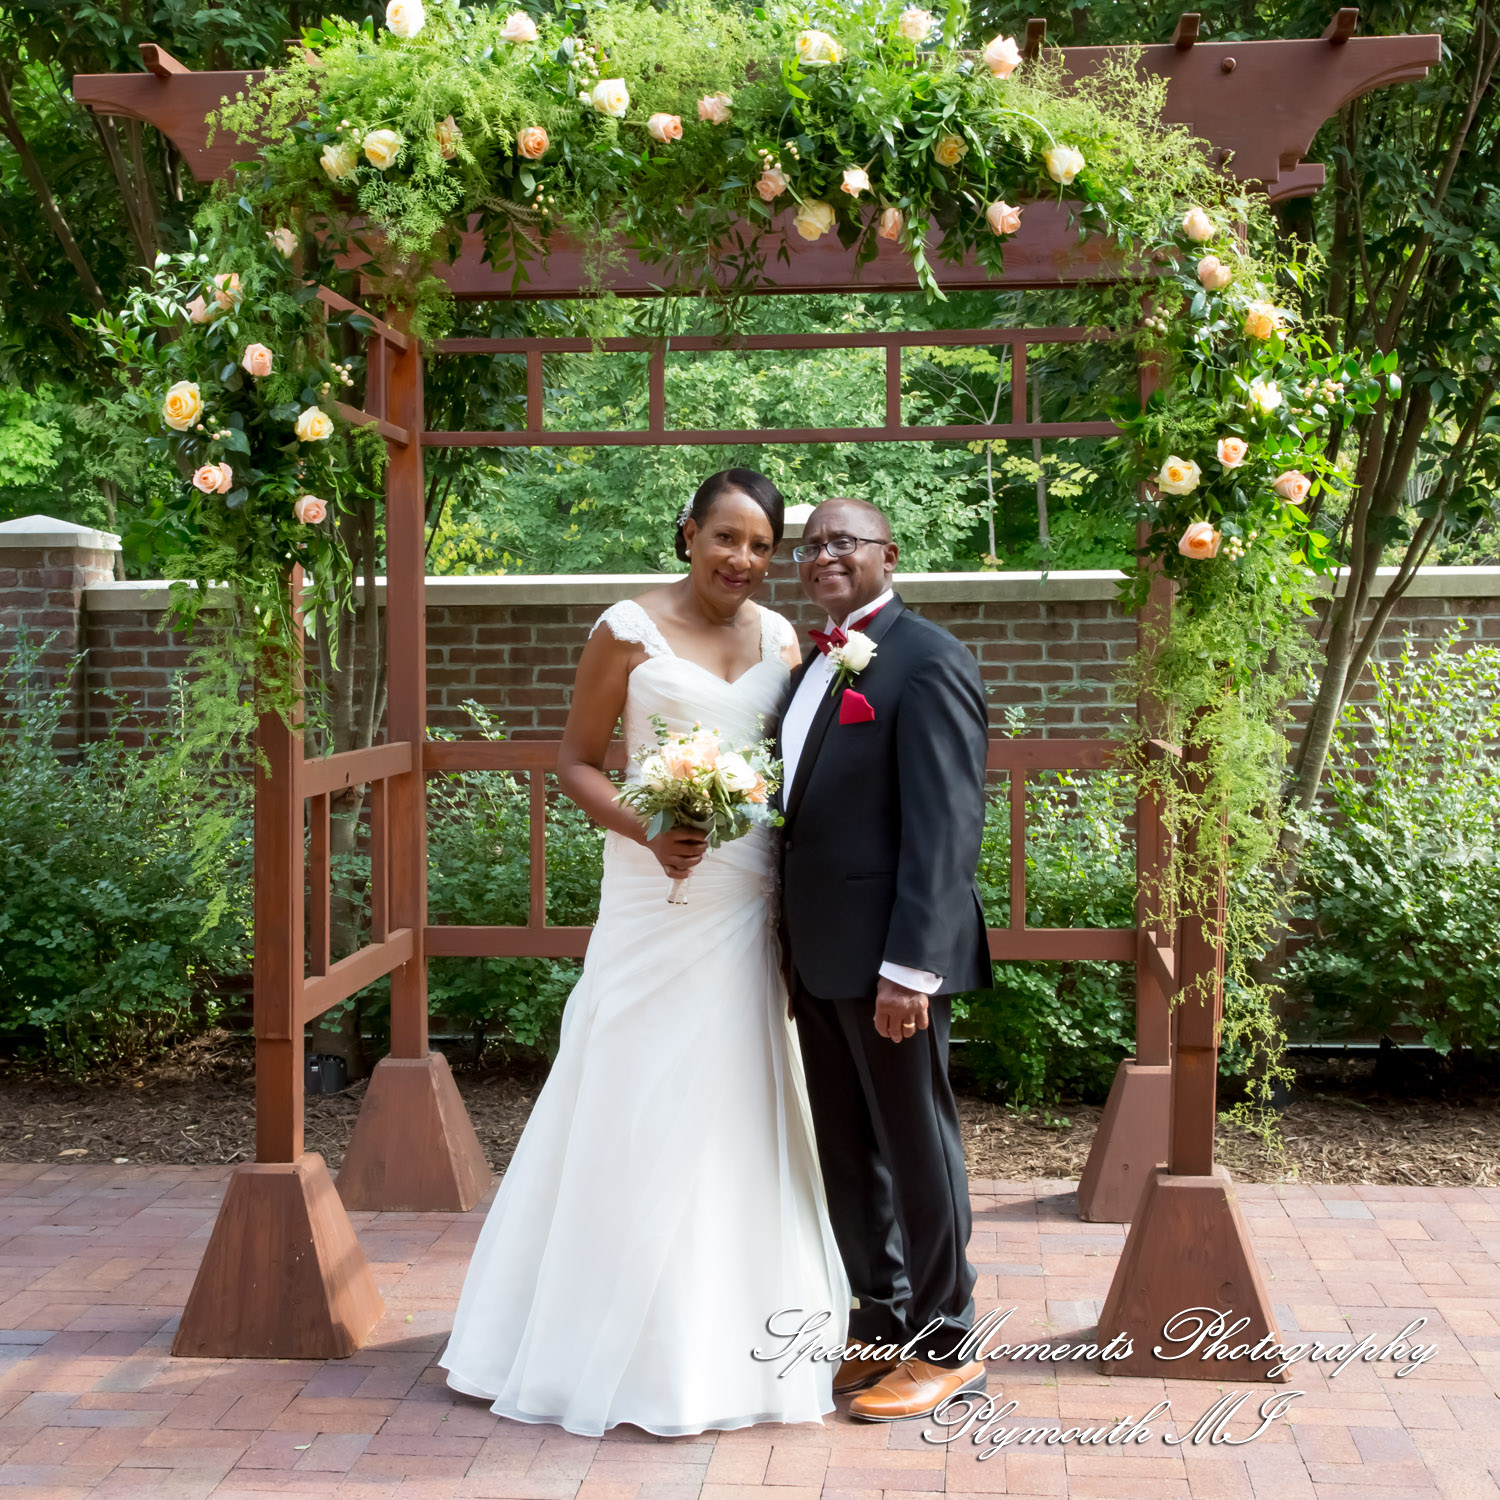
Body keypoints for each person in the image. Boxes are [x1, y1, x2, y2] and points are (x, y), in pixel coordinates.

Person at [439, 469, 850, 1436]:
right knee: (632, 1095)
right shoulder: (625, 631)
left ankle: (736, 1338)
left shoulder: (785, 641)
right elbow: (575, 760)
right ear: (688, 533)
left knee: (738, 1098)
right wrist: (642, 826)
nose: (743, 561)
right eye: (727, 539)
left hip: (743, 899)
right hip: (651, 898)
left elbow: (788, 774)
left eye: (761, 547)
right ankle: (590, 1338)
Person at [775, 496, 992, 1422]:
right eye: (812, 543)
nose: (825, 553)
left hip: (891, 966)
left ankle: (949, 1342)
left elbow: (946, 830)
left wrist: (912, 967)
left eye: (844, 541)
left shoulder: (928, 659)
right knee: (849, 1150)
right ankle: (882, 1323)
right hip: (818, 956)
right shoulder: (810, 665)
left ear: (888, 555)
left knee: (915, 1145)